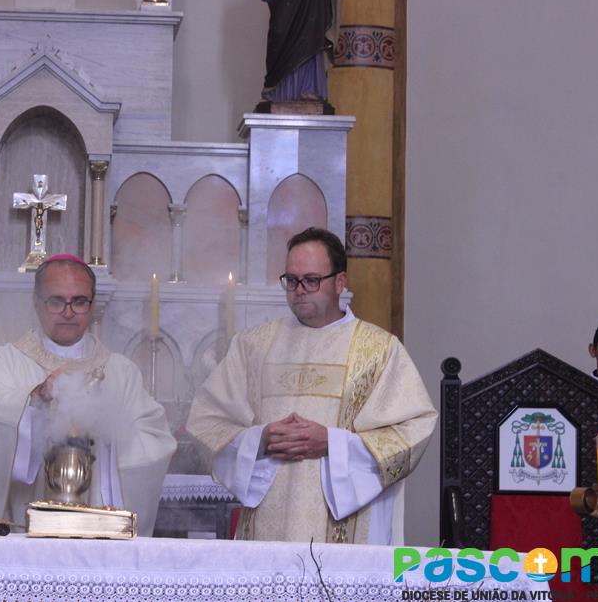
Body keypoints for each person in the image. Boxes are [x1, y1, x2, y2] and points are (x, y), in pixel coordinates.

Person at [187, 228, 437, 544]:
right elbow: (206, 422)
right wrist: (260, 439)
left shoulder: (378, 350)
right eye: (291, 281)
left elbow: (413, 430)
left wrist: (331, 443)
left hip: (343, 525)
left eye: (311, 280)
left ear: (340, 282)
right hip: (267, 526)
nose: (299, 290)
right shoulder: (255, 346)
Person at [0, 255, 175, 535]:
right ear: (37, 303)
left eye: (79, 301)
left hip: (101, 538)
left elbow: (155, 439)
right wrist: (34, 402)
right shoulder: (5, 361)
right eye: (56, 301)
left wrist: (109, 437)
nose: (68, 311)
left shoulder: (120, 372)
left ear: (92, 305)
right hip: (22, 534)